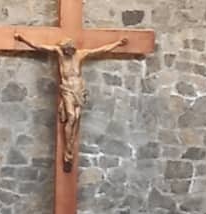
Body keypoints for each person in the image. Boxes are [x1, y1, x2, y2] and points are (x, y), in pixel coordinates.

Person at [13, 33, 129, 171]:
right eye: (66, 50)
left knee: (77, 118)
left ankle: (70, 147)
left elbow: (101, 50)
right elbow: (38, 46)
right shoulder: (59, 54)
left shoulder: (80, 55)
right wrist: (23, 39)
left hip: (79, 90)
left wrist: (118, 44)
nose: (68, 51)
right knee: (71, 116)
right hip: (67, 90)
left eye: (69, 49)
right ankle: (68, 148)